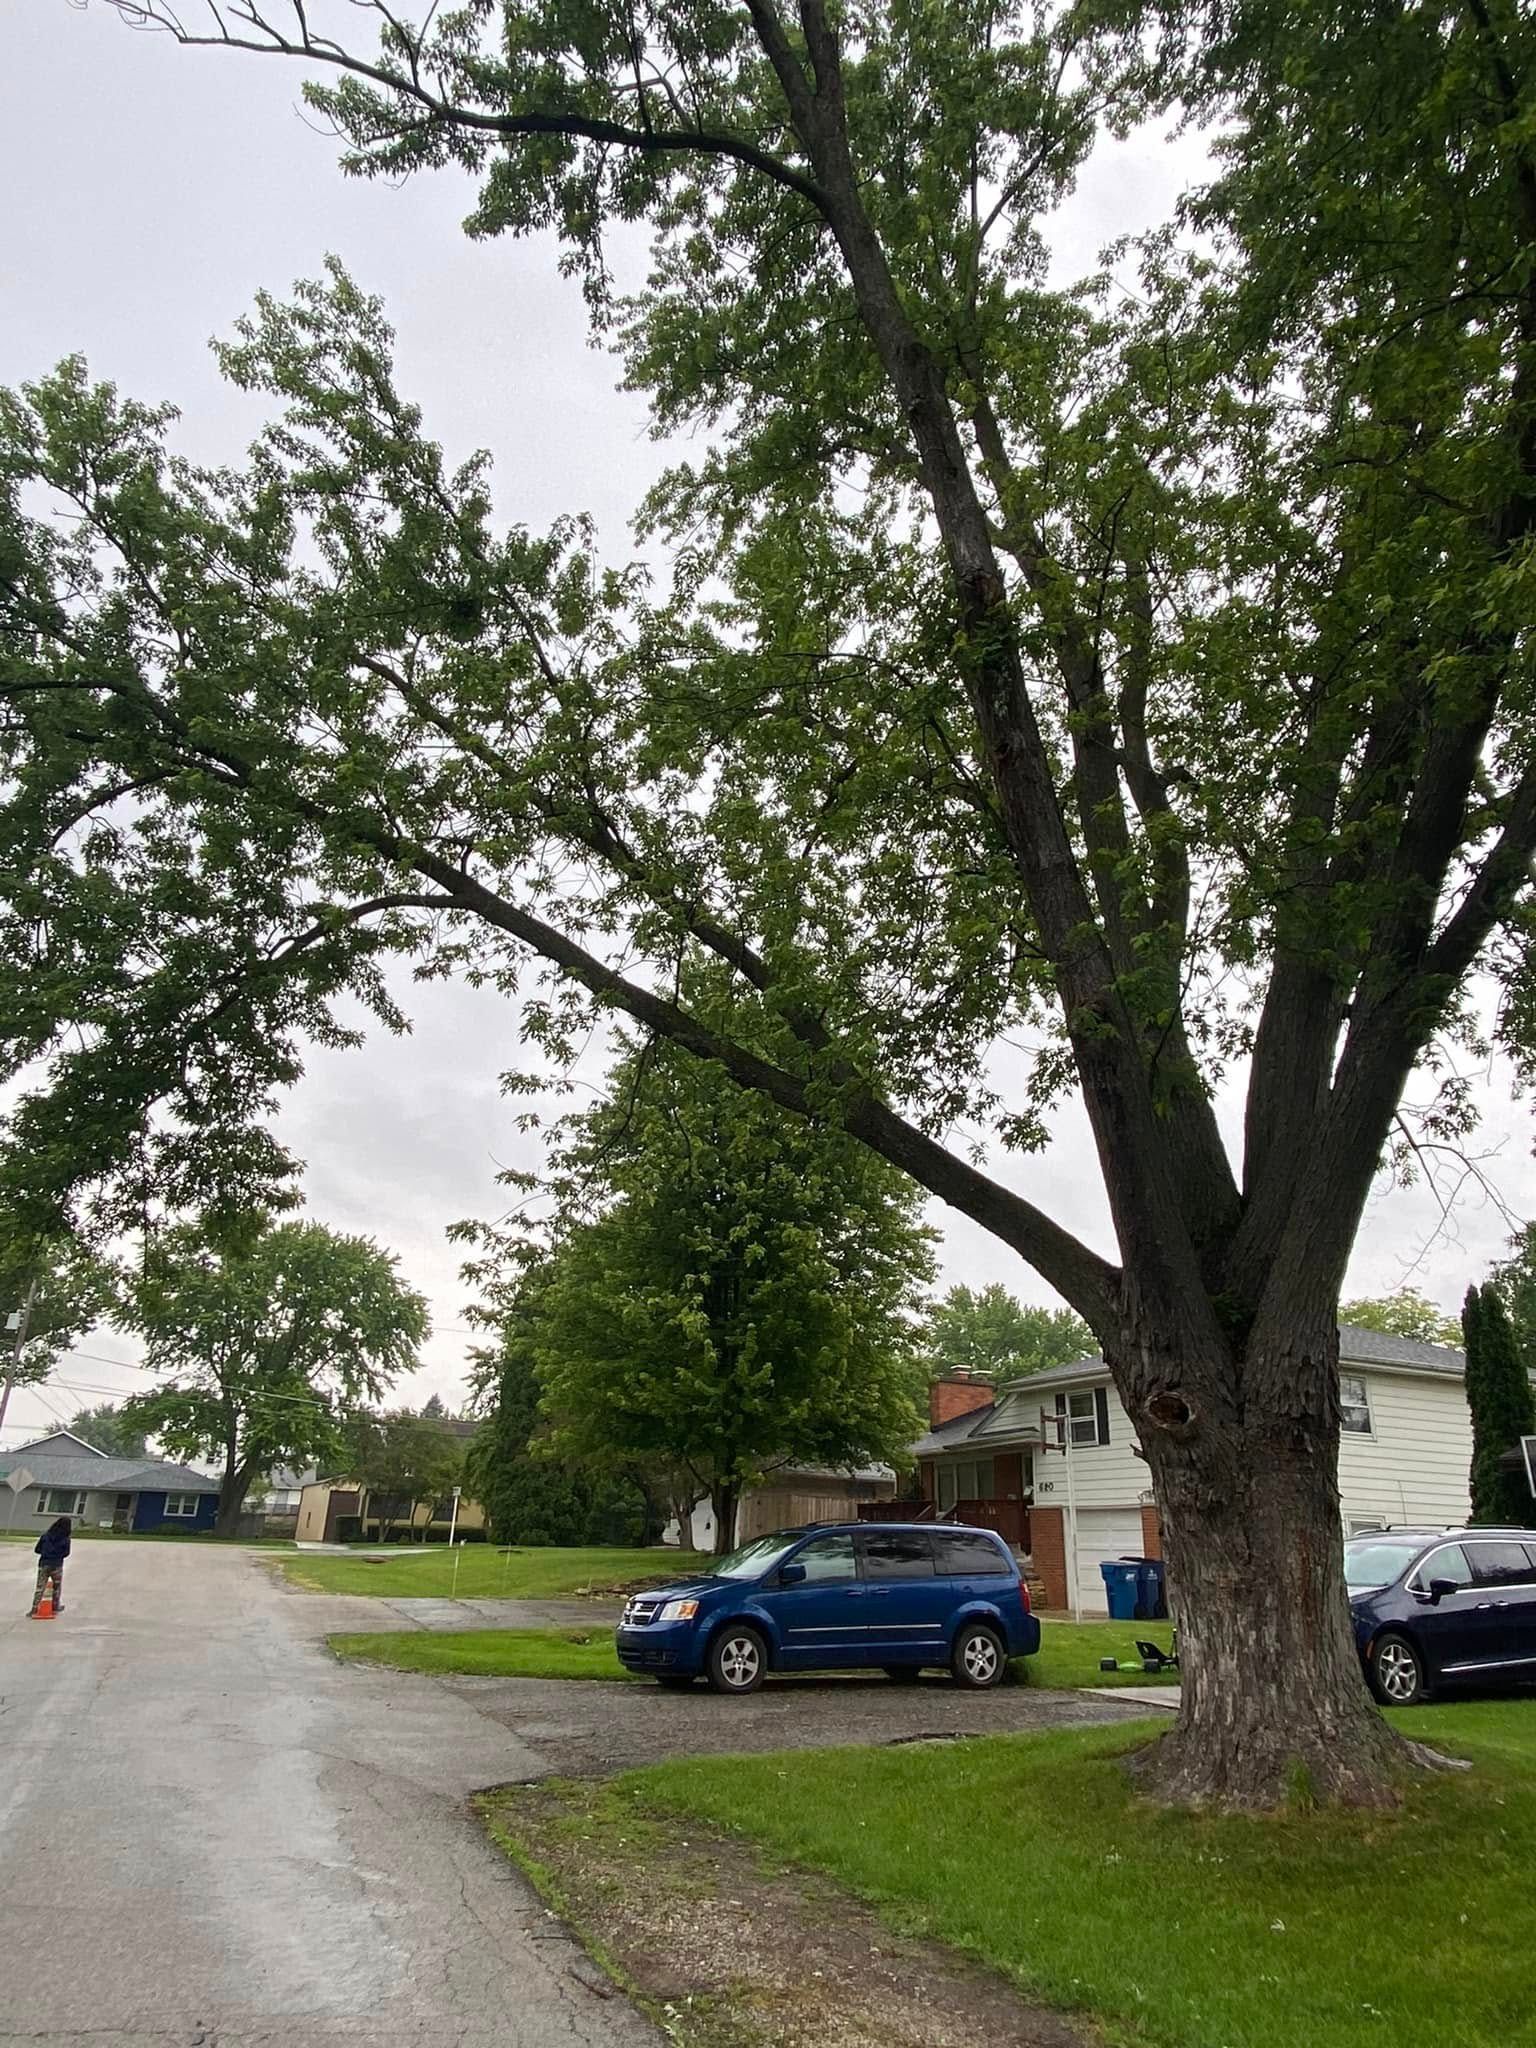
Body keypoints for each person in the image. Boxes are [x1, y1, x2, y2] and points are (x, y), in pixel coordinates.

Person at [31, 1514, 71, 1616]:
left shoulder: (45, 1536)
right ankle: (55, 1607)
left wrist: (46, 1553)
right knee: (56, 1587)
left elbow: (37, 1550)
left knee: (40, 1587)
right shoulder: (66, 1539)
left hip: (44, 1564)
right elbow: (66, 1553)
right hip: (57, 1565)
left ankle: (34, 1609)